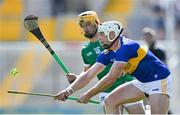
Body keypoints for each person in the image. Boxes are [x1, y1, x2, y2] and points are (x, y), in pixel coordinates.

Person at [55, 21, 171, 114]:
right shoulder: (107, 53)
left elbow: (111, 78)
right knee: (109, 101)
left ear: (112, 34)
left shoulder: (126, 47)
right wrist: (68, 91)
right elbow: (89, 74)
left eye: (102, 34)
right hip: (141, 82)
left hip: (159, 80)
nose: (99, 38)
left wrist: (89, 94)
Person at [67, 11, 145, 114]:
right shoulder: (85, 50)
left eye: (88, 25)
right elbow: (87, 72)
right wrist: (77, 79)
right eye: (83, 26)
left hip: (126, 84)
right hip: (106, 89)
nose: (86, 29)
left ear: (97, 22)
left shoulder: (110, 40)